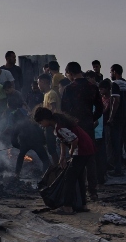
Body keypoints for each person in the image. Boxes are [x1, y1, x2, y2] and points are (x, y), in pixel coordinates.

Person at [34, 107, 94, 215]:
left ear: (45, 119)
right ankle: (83, 205)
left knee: (69, 178)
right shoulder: (59, 125)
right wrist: (62, 156)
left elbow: (74, 139)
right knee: (79, 177)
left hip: (82, 150)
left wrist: (71, 152)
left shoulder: (59, 127)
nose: (41, 125)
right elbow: (63, 140)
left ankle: (67, 207)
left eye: (40, 122)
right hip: (87, 148)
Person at [60, 62, 104, 198]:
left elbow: (64, 111)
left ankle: (80, 191)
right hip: (88, 125)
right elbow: (100, 108)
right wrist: (92, 119)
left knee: (77, 158)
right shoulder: (92, 87)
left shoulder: (69, 89)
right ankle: (93, 191)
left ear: (70, 73)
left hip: (74, 126)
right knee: (90, 157)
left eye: (67, 74)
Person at [7, 106, 49, 176]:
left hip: (25, 144)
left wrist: (19, 146)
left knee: (20, 158)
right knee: (45, 160)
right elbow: (41, 132)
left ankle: (17, 174)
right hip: (37, 143)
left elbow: (13, 140)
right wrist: (43, 142)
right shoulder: (33, 121)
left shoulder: (18, 124)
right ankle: (45, 175)